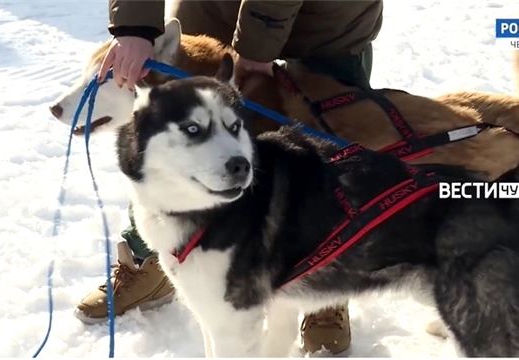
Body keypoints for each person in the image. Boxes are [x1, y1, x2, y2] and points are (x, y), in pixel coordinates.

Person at [76, 0, 383, 355]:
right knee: (170, 133)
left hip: (327, 19)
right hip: (211, 8)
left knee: (325, 137)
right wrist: (134, 25)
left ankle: (323, 278)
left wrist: (258, 43)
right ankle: (152, 257)